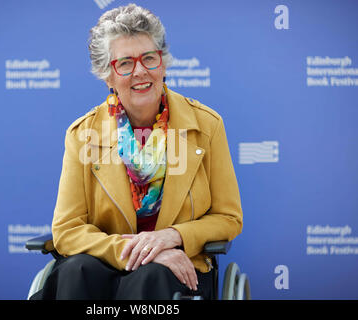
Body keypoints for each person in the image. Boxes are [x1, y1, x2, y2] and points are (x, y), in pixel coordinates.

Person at [31, 3, 242, 300]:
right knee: (74, 271)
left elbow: (228, 217)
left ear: (164, 63)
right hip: (102, 262)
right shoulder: (82, 135)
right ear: (108, 76)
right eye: (125, 63)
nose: (140, 71)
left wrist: (173, 237)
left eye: (149, 58)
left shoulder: (206, 125)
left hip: (174, 268)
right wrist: (137, 251)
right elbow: (67, 230)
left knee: (153, 277)